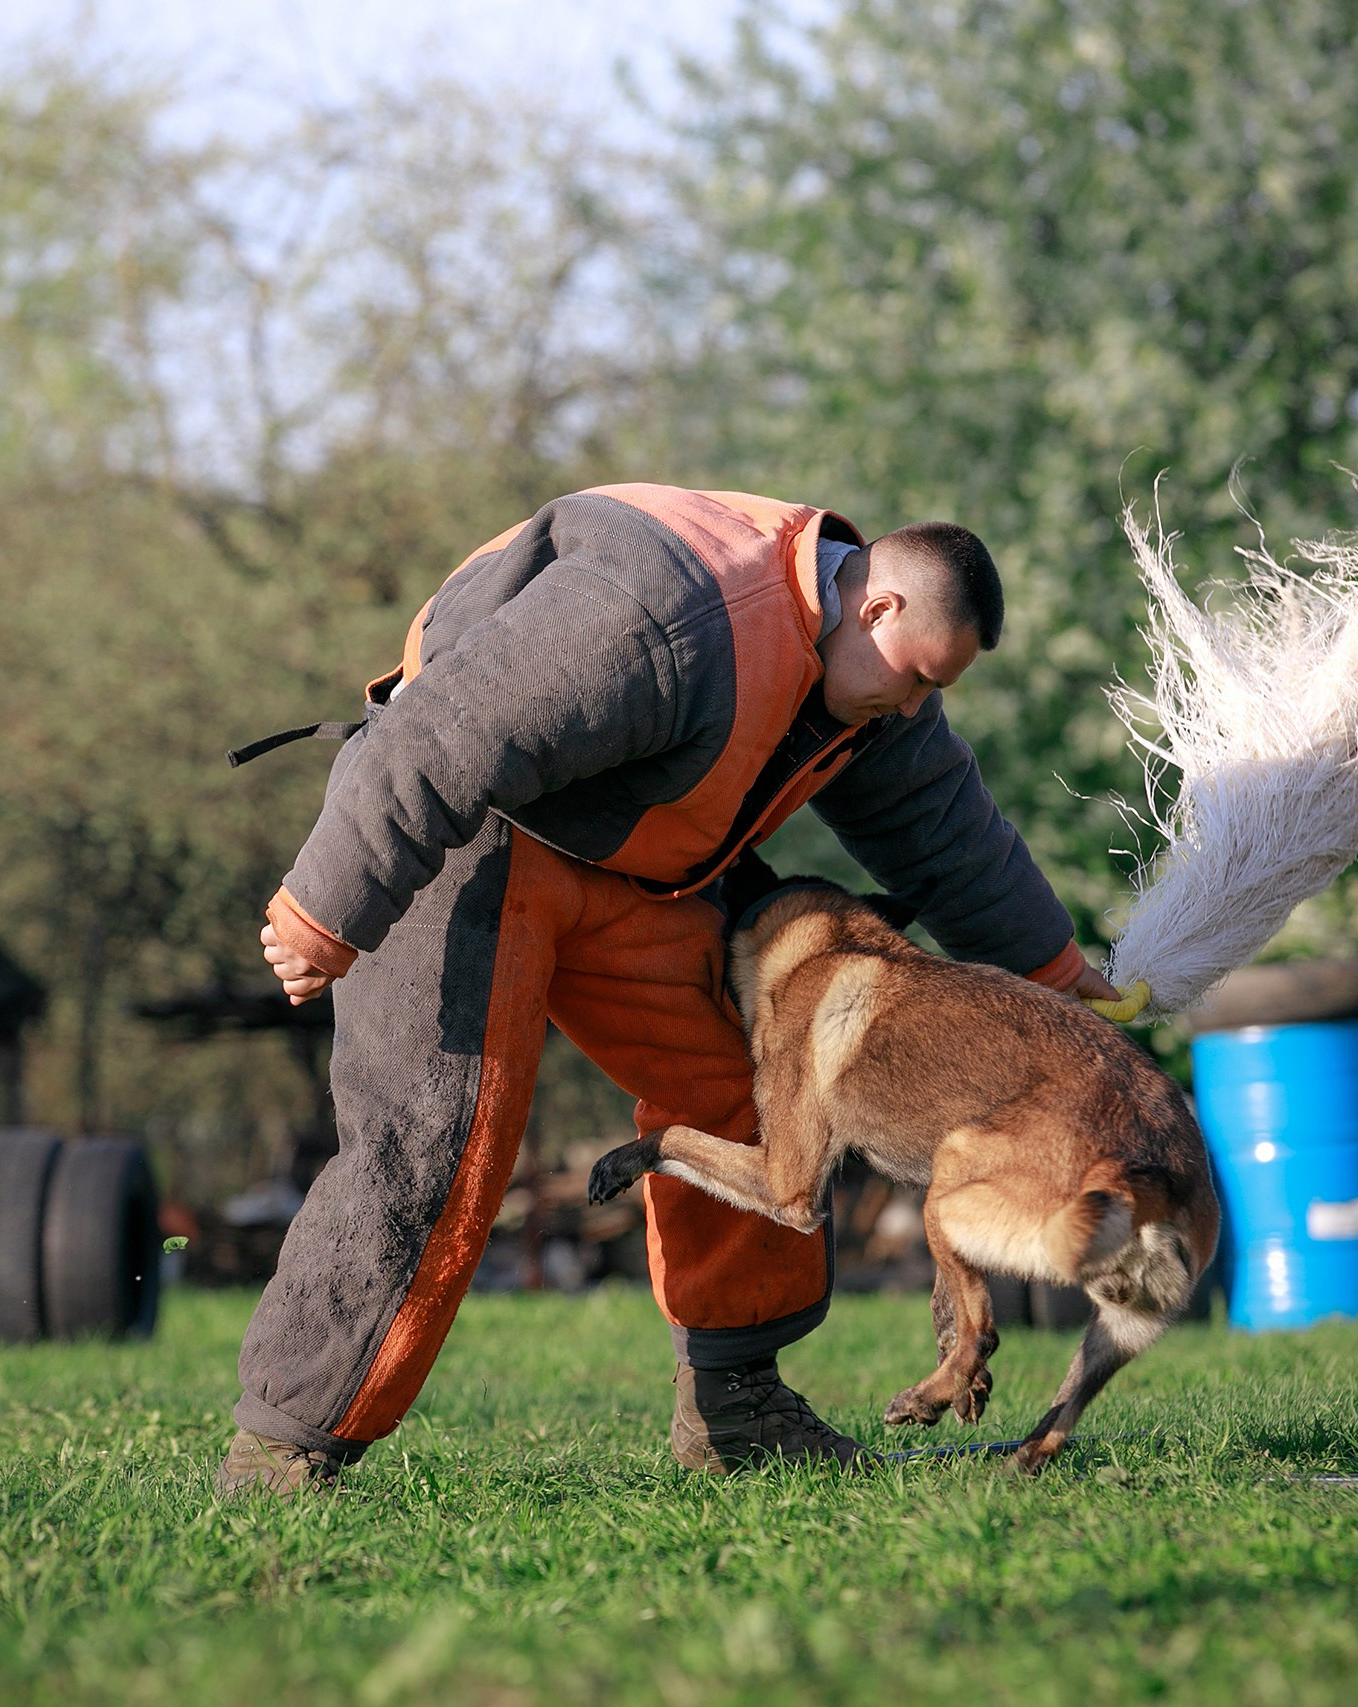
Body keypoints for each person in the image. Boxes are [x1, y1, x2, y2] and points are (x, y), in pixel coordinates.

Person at [220, 484, 1116, 1496]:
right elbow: (433, 740)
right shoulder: (664, 616)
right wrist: (319, 915)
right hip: (470, 835)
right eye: (913, 682)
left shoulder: (870, 679)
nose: (912, 710)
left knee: (760, 1090)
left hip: (628, 870)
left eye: (927, 697)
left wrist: (1056, 969)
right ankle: (287, 1446)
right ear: (876, 608)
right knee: (439, 1134)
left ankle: (736, 1409)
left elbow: (944, 828)